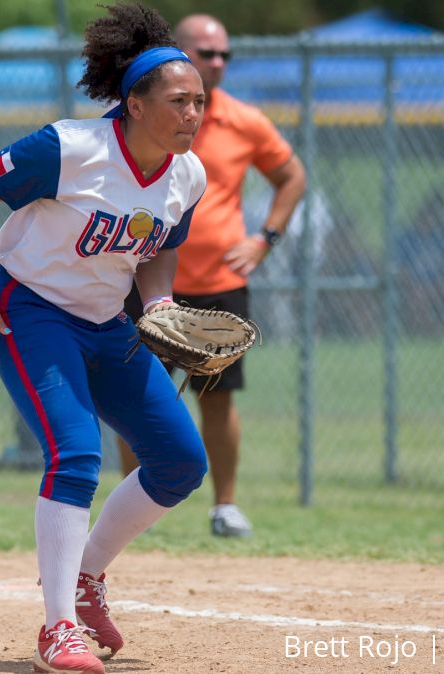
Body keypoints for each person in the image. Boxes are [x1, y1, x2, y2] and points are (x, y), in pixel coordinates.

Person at [0, 4, 207, 672]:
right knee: (75, 452)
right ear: (133, 104)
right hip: (30, 310)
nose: (193, 113)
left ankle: (88, 576)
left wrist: (159, 304)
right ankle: (57, 628)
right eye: (179, 101)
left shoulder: (188, 175)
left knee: (181, 461)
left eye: (200, 102)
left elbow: (159, 244)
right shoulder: (71, 150)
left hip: (105, 322)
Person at [118, 13, 307, 538]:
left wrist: (263, 239)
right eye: (206, 53)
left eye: (225, 54)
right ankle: (134, 510)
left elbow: (291, 176)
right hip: (147, 279)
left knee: (217, 398)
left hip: (218, 282)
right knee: (132, 394)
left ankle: (224, 506)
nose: (217, 63)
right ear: (175, 55)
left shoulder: (244, 120)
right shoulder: (141, 116)